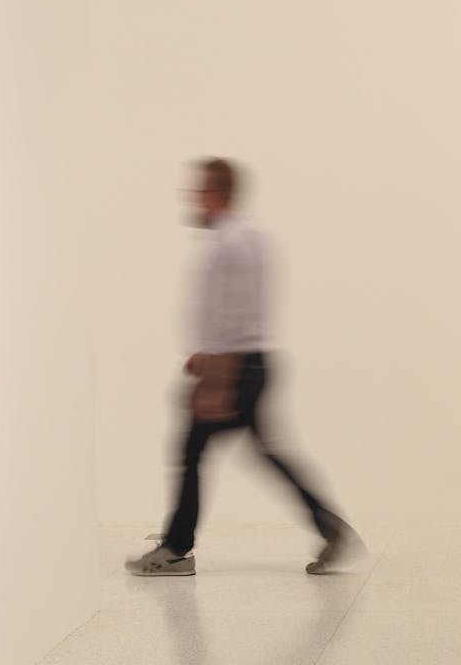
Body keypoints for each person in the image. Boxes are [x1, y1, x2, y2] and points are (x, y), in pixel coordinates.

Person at [126, 157, 359, 576]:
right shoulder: (253, 237)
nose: (194, 198)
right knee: (265, 452)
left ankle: (177, 549)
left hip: (233, 370)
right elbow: (242, 314)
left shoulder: (228, 244)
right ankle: (330, 528)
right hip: (252, 363)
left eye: (199, 190)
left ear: (215, 194)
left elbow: (233, 318)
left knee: (191, 450)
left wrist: (216, 382)